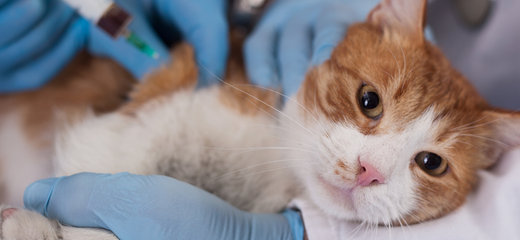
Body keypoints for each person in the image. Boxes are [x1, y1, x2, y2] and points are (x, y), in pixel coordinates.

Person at [16, 0, 520, 239]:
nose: (372, 168)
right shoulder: (252, 91)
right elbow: (109, 152)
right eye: (370, 103)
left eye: (431, 162)